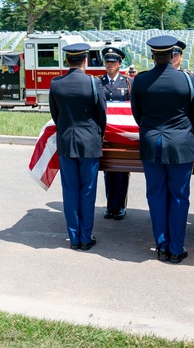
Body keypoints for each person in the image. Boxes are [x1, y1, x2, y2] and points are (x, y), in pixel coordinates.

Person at [130, 35, 194, 263]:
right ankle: (176, 248)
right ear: (173, 54)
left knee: (156, 195)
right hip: (181, 143)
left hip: (152, 142)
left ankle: (161, 245)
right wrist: (185, 134)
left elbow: (137, 114)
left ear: (152, 55)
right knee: (179, 197)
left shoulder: (140, 80)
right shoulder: (188, 80)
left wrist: (151, 129)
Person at [49, 42, 107, 250]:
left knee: (70, 190)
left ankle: (74, 237)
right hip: (90, 142)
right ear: (85, 60)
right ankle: (86, 236)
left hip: (66, 142)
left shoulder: (56, 83)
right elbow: (102, 115)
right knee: (88, 190)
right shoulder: (94, 83)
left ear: (66, 60)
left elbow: (56, 115)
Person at [99, 47, 131, 221]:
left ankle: (120, 206)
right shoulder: (98, 82)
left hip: (122, 133)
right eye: (107, 62)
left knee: (122, 170)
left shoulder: (127, 83)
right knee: (108, 170)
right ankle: (110, 205)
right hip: (105, 133)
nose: (109, 65)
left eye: (113, 62)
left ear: (119, 64)